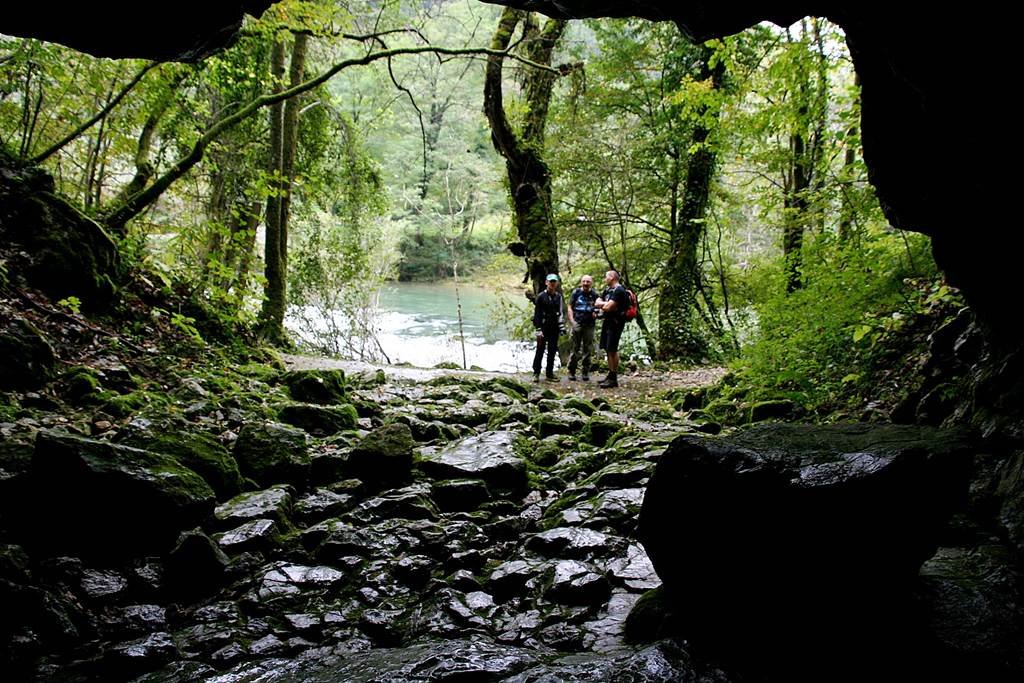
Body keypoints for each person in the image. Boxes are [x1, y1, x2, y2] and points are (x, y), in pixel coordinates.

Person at [595, 269, 628, 388]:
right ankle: (610, 374)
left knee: (612, 349)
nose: (605, 279)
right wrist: (605, 304)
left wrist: (605, 305)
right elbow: (597, 302)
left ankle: (614, 377)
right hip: (607, 322)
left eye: (606, 277)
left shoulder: (619, 290)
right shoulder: (608, 290)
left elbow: (609, 307)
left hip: (616, 322)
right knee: (608, 349)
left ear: (612, 277)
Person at [532, 273, 564, 382]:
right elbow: (537, 314)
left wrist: (561, 326)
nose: (552, 283)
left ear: (557, 283)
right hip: (543, 327)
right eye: (550, 281)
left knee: (552, 350)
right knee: (540, 350)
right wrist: (538, 329)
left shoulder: (558, 296)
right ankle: (536, 373)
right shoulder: (541, 296)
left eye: (554, 281)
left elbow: (560, 312)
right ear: (546, 282)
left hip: (554, 327)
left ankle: (549, 373)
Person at [566, 274, 598, 381]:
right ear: (581, 282)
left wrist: (596, 313)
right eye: (584, 281)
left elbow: (598, 308)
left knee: (587, 349)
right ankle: (571, 371)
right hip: (577, 323)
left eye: (588, 281)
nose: (585, 283)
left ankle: (585, 372)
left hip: (589, 325)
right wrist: (572, 321)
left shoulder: (594, 294)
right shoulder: (576, 293)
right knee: (575, 348)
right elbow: (570, 306)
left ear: (591, 283)